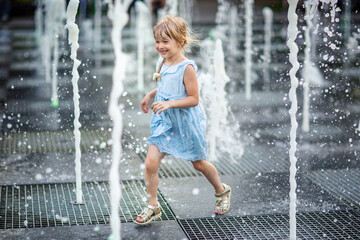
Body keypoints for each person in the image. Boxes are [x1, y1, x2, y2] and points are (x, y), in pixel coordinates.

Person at [134, 16, 231, 225]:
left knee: (199, 163)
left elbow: (193, 99)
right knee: (150, 162)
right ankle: (153, 205)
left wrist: (169, 104)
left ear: (181, 41)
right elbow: (166, 86)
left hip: (185, 122)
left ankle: (221, 190)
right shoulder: (162, 62)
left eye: (165, 41)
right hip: (165, 122)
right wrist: (150, 94)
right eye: (157, 41)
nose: (160, 46)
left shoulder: (187, 67)